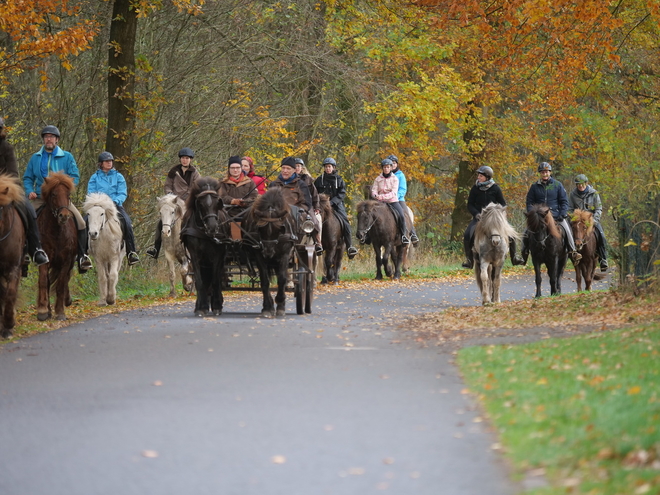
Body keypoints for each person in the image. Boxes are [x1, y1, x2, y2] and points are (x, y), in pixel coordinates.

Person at [23, 125, 92, 273]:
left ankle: (82, 256)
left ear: (57, 140)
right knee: (25, 220)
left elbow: (75, 176)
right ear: (43, 140)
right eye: (46, 137)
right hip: (41, 198)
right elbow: (28, 178)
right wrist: (29, 191)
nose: (49, 139)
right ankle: (24, 256)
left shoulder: (67, 157)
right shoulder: (35, 158)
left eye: (51, 137)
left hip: (61, 199)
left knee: (81, 223)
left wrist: (64, 188)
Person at [0, 117, 49, 273]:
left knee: (28, 209)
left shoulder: (6, 148)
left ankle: (35, 249)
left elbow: (13, 172)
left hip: (5, 189)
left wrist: (3, 184)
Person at [461, 165, 525, 268]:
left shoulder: (495, 188)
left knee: (511, 235)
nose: (478, 177)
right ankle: (469, 260)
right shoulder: (475, 188)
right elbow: (470, 205)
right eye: (478, 175)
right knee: (468, 234)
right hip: (479, 219)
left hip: (494, 220)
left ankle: (514, 258)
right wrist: (476, 214)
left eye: (481, 176)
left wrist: (498, 214)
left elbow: (503, 204)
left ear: (487, 177)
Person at [146, 147, 200, 259]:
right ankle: (155, 248)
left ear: (190, 159)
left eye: (187, 158)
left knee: (198, 218)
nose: (184, 160)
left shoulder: (195, 173)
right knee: (161, 222)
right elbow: (167, 185)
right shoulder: (173, 171)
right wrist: (170, 194)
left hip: (187, 202)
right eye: (183, 158)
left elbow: (196, 187)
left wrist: (186, 197)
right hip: (173, 202)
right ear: (180, 159)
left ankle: (199, 244)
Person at [522, 162, 582, 263]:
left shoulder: (557, 185)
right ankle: (524, 253)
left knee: (567, 230)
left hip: (556, 215)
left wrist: (562, 213)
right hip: (539, 217)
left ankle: (573, 251)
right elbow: (529, 202)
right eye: (542, 172)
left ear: (550, 172)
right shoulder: (534, 186)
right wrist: (532, 214)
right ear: (540, 173)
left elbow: (564, 201)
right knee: (526, 232)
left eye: (546, 172)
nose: (544, 174)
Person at [87, 152, 140, 265]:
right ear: (101, 164)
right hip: (98, 207)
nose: (109, 163)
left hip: (115, 206)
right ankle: (83, 254)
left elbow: (122, 193)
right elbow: (90, 192)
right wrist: (98, 202)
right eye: (107, 161)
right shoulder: (94, 177)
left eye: (110, 161)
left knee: (127, 222)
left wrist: (114, 202)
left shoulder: (118, 176)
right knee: (84, 222)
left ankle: (131, 252)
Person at [269, 156, 323, 256]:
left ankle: (315, 242)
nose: (285, 171)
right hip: (276, 215)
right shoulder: (273, 184)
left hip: (295, 215)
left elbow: (306, 203)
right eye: (283, 168)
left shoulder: (301, 185)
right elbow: (268, 202)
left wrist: (296, 210)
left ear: (294, 170)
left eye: (288, 169)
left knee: (311, 221)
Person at [314, 157, 359, 259]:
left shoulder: (339, 180)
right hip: (321, 206)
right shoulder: (319, 180)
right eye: (326, 167)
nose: (327, 169)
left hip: (336, 205)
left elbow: (342, 194)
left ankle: (349, 246)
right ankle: (315, 243)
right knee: (312, 220)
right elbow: (315, 193)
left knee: (346, 222)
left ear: (333, 167)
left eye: (329, 167)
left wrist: (332, 202)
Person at [568, 174, 608, 271]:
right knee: (567, 233)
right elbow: (569, 209)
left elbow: (599, 208)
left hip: (590, 220)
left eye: (582, 184)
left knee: (601, 235)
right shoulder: (573, 194)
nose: (580, 186)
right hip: (578, 221)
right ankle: (567, 255)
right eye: (578, 184)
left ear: (586, 183)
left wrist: (594, 220)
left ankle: (603, 259)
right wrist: (573, 218)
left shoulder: (594, 193)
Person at [371, 158, 409, 244]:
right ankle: (368, 236)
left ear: (391, 168)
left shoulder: (395, 179)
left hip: (392, 201)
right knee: (368, 214)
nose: (386, 169)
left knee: (401, 215)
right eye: (384, 167)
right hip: (379, 202)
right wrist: (375, 195)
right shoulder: (378, 179)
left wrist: (382, 197)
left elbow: (393, 193)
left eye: (388, 167)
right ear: (382, 168)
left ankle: (403, 235)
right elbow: (374, 190)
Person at [387, 154, 419, 246]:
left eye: (394, 163)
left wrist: (395, 196)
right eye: (390, 164)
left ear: (397, 164)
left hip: (398, 199)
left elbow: (403, 189)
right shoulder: (384, 176)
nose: (392, 165)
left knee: (405, 213)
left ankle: (412, 234)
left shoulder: (400, 175)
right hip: (385, 199)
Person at [294, 157, 323, 255]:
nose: (297, 168)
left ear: (302, 168)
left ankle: (318, 243)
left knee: (314, 221)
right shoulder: (289, 179)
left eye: (298, 166)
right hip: (293, 205)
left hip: (307, 204)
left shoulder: (308, 179)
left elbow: (315, 194)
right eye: (295, 166)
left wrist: (317, 207)